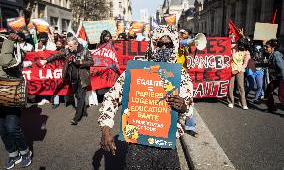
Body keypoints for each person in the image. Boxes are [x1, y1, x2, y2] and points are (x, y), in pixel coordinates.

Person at [98, 25, 193, 169]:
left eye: (169, 44)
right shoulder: (137, 69)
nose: (164, 48)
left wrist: (183, 106)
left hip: (167, 145)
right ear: (152, 44)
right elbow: (112, 96)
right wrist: (105, 129)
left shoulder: (180, 75)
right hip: (138, 145)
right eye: (160, 43)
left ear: (175, 45)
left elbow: (188, 108)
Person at [40, 36, 94, 125]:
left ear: (76, 44)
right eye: (68, 46)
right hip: (72, 78)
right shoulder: (67, 51)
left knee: (80, 96)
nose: (68, 48)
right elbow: (56, 55)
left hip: (82, 78)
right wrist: (46, 61)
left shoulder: (85, 51)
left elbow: (91, 62)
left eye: (71, 46)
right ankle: (83, 110)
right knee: (77, 96)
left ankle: (76, 118)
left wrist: (80, 62)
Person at [0, 33, 32, 169]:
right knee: (2, 130)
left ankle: (25, 152)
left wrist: (10, 41)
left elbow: (5, 62)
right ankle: (13, 154)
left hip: (11, 95)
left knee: (12, 128)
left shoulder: (15, 55)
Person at [227, 38, 250, 109]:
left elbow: (245, 64)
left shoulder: (247, 52)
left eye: (243, 46)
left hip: (240, 69)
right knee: (231, 86)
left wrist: (237, 70)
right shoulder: (233, 47)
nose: (241, 47)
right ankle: (231, 102)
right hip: (231, 68)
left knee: (241, 87)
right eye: (240, 45)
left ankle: (243, 103)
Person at [263, 39, 284, 112]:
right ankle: (271, 107)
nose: (265, 48)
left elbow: (282, 68)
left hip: (282, 77)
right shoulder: (272, 55)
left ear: (273, 47)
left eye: (267, 46)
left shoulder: (276, 55)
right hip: (279, 76)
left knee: (281, 95)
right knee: (269, 89)